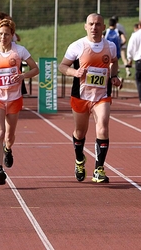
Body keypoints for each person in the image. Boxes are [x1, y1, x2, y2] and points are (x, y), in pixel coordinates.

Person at [58, 13, 122, 183]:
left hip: (102, 95)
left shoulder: (110, 46)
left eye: (98, 24)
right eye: (91, 24)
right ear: (85, 26)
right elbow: (62, 66)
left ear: (103, 27)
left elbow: (114, 62)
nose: (94, 27)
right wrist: (74, 72)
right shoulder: (77, 46)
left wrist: (114, 76)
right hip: (81, 95)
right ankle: (80, 160)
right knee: (80, 132)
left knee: (103, 126)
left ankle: (99, 169)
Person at [0, 18, 39, 185]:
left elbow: (36, 69)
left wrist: (22, 75)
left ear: (12, 35)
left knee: (9, 136)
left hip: (13, 97)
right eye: (0, 34)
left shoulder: (19, 51)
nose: (3, 37)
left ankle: (8, 149)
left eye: (6, 34)